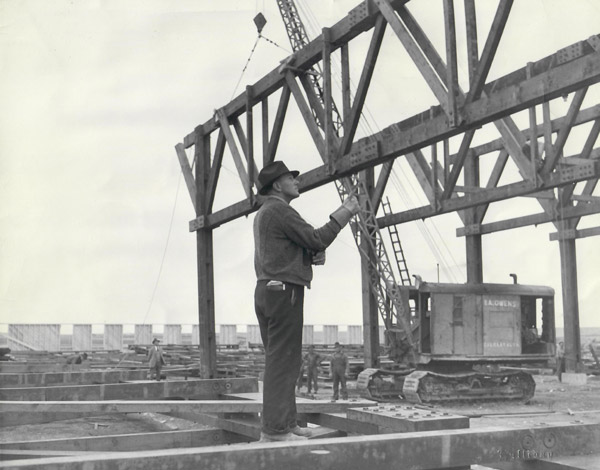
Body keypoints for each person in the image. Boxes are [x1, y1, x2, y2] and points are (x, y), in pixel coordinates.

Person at [253, 160, 359, 442]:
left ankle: (286, 424)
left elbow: (288, 249)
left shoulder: (266, 213)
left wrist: (308, 255)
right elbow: (316, 238)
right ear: (277, 185)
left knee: (285, 361)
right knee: (282, 364)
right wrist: (345, 212)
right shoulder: (280, 210)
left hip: (268, 290)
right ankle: (276, 432)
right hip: (283, 292)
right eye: (291, 178)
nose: (297, 181)